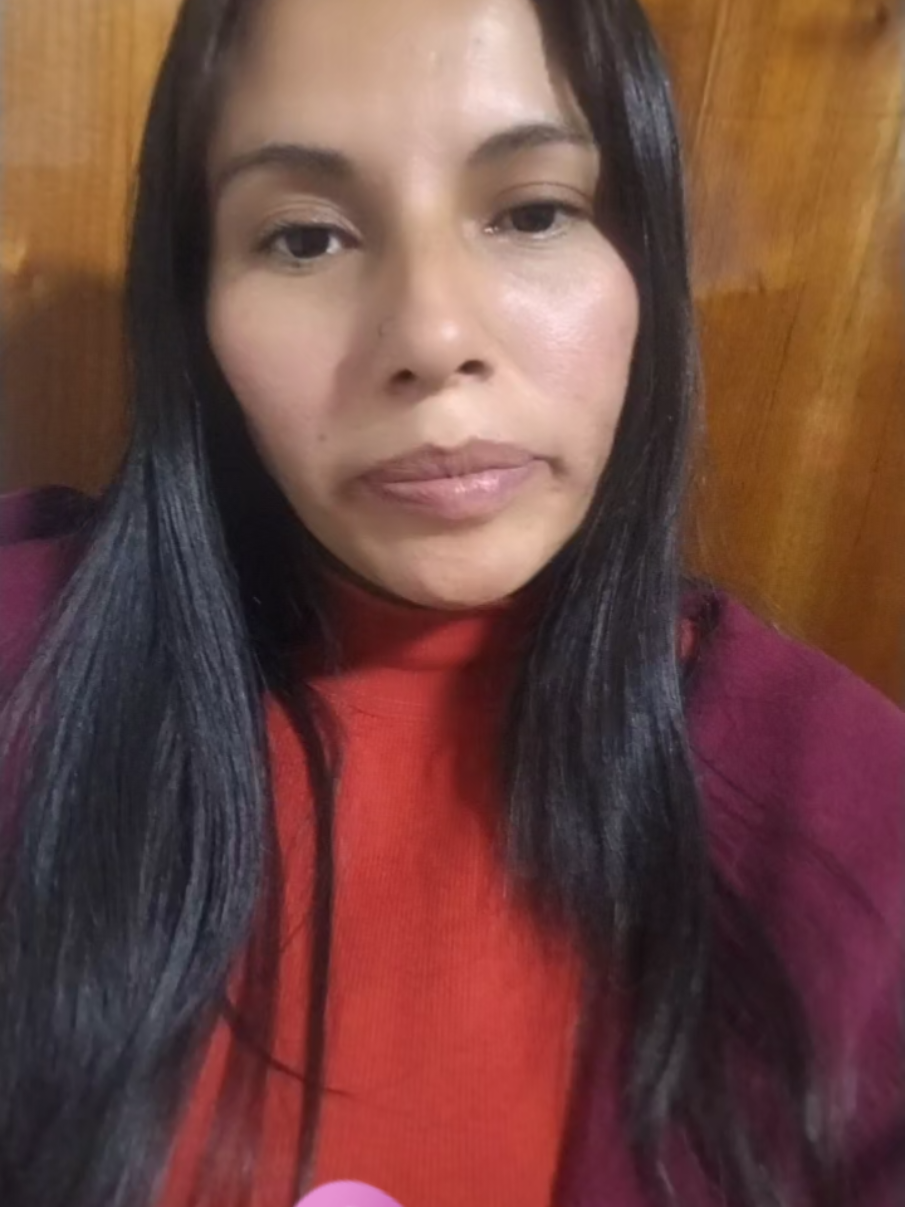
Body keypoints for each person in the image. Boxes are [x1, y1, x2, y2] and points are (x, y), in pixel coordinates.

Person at [0, 0, 902, 1204]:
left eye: (533, 213)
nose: (430, 336)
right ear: (197, 308)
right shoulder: (25, 655)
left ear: (644, 261)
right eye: (305, 238)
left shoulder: (856, 821)